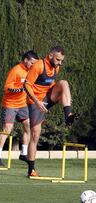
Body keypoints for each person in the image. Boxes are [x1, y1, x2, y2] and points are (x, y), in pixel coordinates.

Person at [24, 45, 78, 177]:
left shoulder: (56, 68)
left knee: (64, 83)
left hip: (47, 98)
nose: (60, 63)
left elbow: (51, 85)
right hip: (35, 102)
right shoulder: (38, 66)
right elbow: (26, 85)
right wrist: (37, 101)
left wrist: (57, 95)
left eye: (61, 61)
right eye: (58, 59)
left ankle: (68, 115)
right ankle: (31, 170)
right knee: (35, 135)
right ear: (50, 56)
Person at [0, 51, 39, 166]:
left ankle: (23, 154)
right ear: (26, 60)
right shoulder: (16, 70)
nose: (33, 65)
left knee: (28, 125)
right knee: (7, 129)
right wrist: (19, 90)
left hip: (23, 104)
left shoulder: (32, 72)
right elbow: (7, 87)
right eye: (32, 63)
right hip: (10, 104)